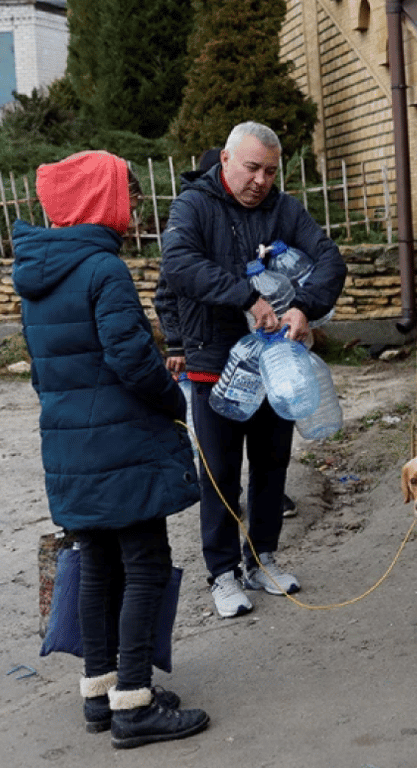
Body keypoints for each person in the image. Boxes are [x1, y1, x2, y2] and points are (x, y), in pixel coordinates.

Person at [12, 151, 211, 747]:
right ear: (100, 200)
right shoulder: (102, 269)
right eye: (122, 189)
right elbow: (130, 359)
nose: (129, 200)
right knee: (144, 565)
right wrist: (173, 403)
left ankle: (100, 695)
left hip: (71, 447)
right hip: (121, 446)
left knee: (97, 565)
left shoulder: (37, 276)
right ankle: (135, 704)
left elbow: (42, 375)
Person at [161, 121, 347, 618]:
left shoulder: (284, 210)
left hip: (275, 366)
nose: (261, 180)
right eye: (251, 168)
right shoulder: (193, 207)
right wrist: (246, 295)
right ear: (225, 161)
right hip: (213, 362)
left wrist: (303, 305)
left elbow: (330, 260)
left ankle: (262, 559)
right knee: (220, 474)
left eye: (269, 170)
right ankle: (222, 572)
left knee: (271, 467)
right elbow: (179, 265)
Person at [155, 146, 296, 518]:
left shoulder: (261, 218)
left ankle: (267, 511)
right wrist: (177, 343)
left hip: (261, 352)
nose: (257, 184)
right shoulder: (193, 218)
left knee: (268, 451)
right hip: (212, 357)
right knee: (220, 461)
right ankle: (226, 528)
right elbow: (169, 291)